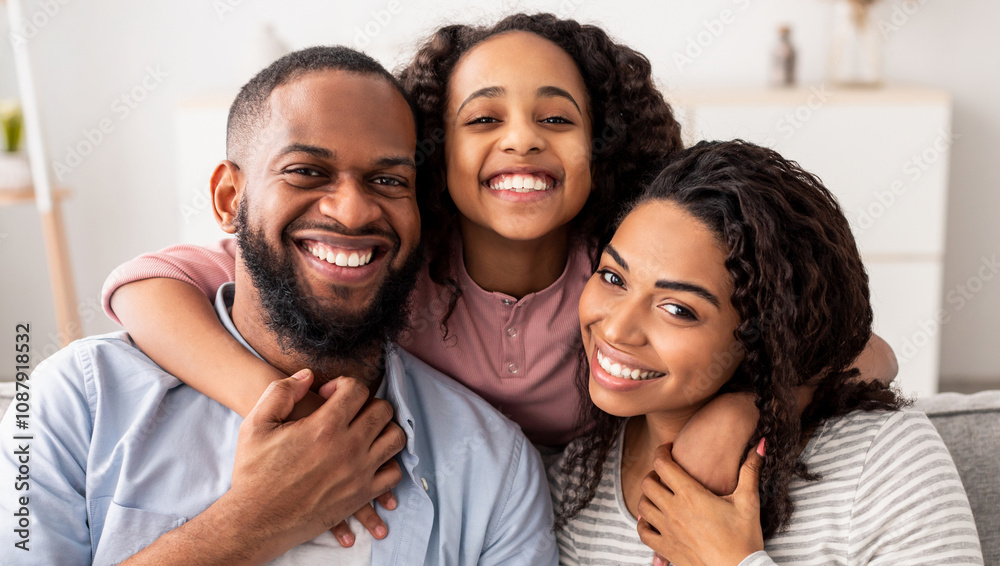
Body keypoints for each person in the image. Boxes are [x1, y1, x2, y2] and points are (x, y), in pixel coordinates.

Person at [100, 12, 895, 538]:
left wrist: (748, 405)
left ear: (604, 147)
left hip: (530, 515)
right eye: (483, 119)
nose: (520, 141)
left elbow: (867, 351)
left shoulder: (612, 277)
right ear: (434, 152)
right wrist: (274, 410)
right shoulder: (390, 265)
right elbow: (146, 286)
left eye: (556, 118)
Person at [0, 46, 556, 565]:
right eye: (307, 172)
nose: (352, 211)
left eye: (388, 180)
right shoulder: (71, 405)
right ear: (227, 199)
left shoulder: (493, 468)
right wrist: (248, 524)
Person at [549, 140, 983, 565]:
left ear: (760, 332)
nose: (617, 328)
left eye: (678, 309)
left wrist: (729, 560)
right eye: (612, 277)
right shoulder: (579, 482)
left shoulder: (880, 459)